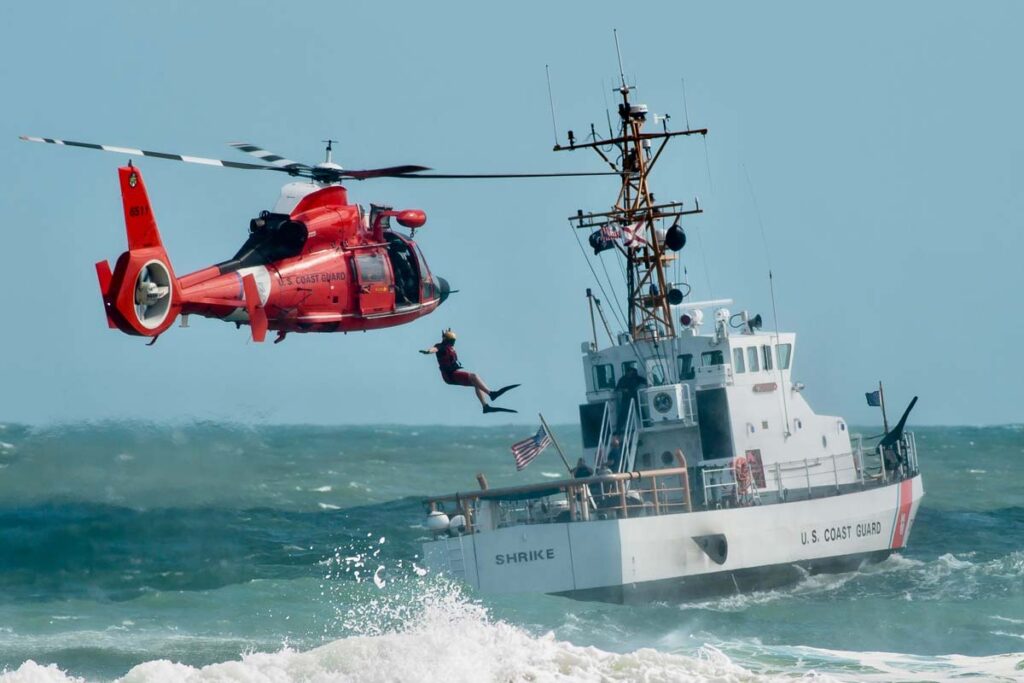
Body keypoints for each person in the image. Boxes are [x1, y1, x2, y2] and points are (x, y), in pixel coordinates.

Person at [421, 329, 520, 414]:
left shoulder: (450, 347)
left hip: (453, 375)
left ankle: (485, 407)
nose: (452, 343)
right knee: (474, 376)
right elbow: (435, 349)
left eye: (453, 341)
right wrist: (428, 351)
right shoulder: (440, 346)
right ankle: (492, 394)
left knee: (477, 383)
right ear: (446, 340)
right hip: (449, 375)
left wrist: (447, 334)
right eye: (451, 341)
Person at [614, 365, 648, 432]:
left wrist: (647, 384)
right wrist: (624, 390)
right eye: (631, 372)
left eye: (632, 372)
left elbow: (644, 381)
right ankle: (618, 428)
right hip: (626, 398)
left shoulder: (635, 377)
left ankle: (645, 424)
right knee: (623, 413)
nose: (631, 373)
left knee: (640, 411)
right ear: (627, 372)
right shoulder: (622, 379)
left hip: (634, 395)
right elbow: (617, 389)